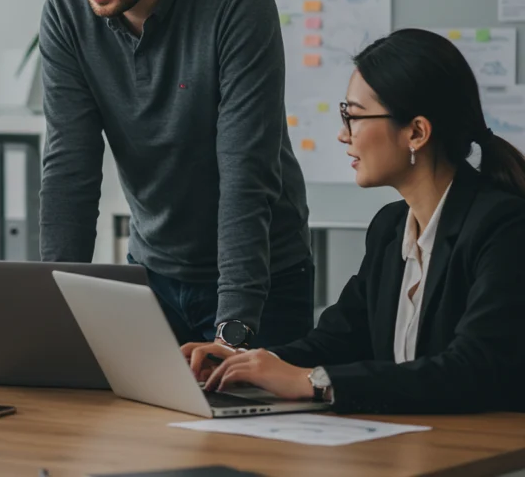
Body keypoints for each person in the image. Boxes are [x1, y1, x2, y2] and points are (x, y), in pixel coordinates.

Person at [38, 0, 313, 348]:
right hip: (153, 275)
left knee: (245, 403)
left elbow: (245, 171)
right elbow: (69, 167)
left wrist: (233, 329)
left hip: (262, 280)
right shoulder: (66, 15)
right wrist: (56, 310)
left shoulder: (234, 3)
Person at [183, 29, 525, 414]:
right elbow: (337, 340)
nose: (343, 135)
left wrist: (313, 382)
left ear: (416, 132)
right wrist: (245, 364)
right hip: (410, 437)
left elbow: (473, 368)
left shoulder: (504, 227)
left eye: (354, 117)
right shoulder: (390, 227)